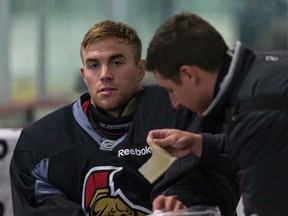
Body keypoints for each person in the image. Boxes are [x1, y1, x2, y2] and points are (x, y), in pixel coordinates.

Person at [10, 20, 239, 216]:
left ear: (140, 70)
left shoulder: (182, 109)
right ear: (84, 75)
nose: (105, 75)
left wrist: (184, 197)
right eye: (93, 65)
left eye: (116, 62)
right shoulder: (39, 145)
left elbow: (218, 171)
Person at [146, 11, 288, 216]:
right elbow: (266, 146)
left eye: (171, 90)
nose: (174, 103)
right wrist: (198, 144)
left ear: (189, 74)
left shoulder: (255, 109)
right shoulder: (264, 68)